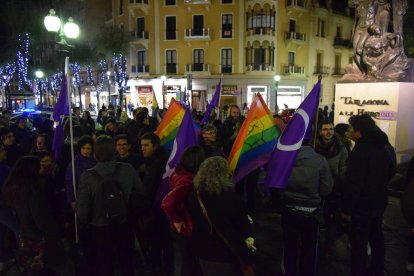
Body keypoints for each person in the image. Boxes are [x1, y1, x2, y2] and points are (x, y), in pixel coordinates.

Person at [77, 135, 146, 275]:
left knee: (105, 264)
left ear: (95, 154)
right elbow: (140, 193)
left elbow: (82, 211)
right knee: (126, 262)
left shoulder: (87, 176)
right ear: (113, 151)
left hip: (99, 228)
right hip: (124, 224)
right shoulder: (128, 169)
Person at [341, 114, 396, 276]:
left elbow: (354, 184)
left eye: (352, 128)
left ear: (359, 132)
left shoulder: (360, 151)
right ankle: (377, 270)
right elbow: (391, 170)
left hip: (361, 206)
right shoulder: (383, 147)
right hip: (379, 201)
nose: (349, 131)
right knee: (377, 238)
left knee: (359, 243)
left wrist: (347, 209)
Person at [2, 156, 73, 275]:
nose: (41, 169)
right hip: (42, 240)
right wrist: (57, 232)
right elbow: (42, 220)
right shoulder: (33, 191)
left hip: (27, 237)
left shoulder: (13, 189)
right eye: (39, 166)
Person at [188, 156, 256, 276]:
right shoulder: (230, 198)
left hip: (202, 250)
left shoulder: (194, 195)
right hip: (225, 253)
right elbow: (244, 228)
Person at [280, 139, 333, 276]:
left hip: (289, 209)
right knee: (309, 248)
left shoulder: (285, 159)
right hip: (311, 212)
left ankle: (289, 272)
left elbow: (277, 183)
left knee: (289, 246)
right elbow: (327, 188)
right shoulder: (320, 160)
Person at [162, 145, 206, 275]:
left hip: (185, 225)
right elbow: (167, 202)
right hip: (188, 226)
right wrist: (177, 220)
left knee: (188, 261)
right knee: (189, 264)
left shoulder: (179, 173)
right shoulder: (187, 180)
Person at [314, 120, 348, 253]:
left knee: (331, 218)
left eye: (331, 129)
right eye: (325, 129)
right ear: (320, 132)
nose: (329, 132)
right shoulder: (314, 147)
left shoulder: (341, 148)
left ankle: (329, 243)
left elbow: (343, 171)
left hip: (334, 190)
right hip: (316, 188)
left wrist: (340, 188)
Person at [64, 135, 96, 212]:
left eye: (88, 148)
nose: (85, 151)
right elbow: (69, 182)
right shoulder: (74, 163)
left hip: (94, 196)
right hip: (80, 196)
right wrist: (72, 200)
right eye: (83, 148)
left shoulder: (95, 161)